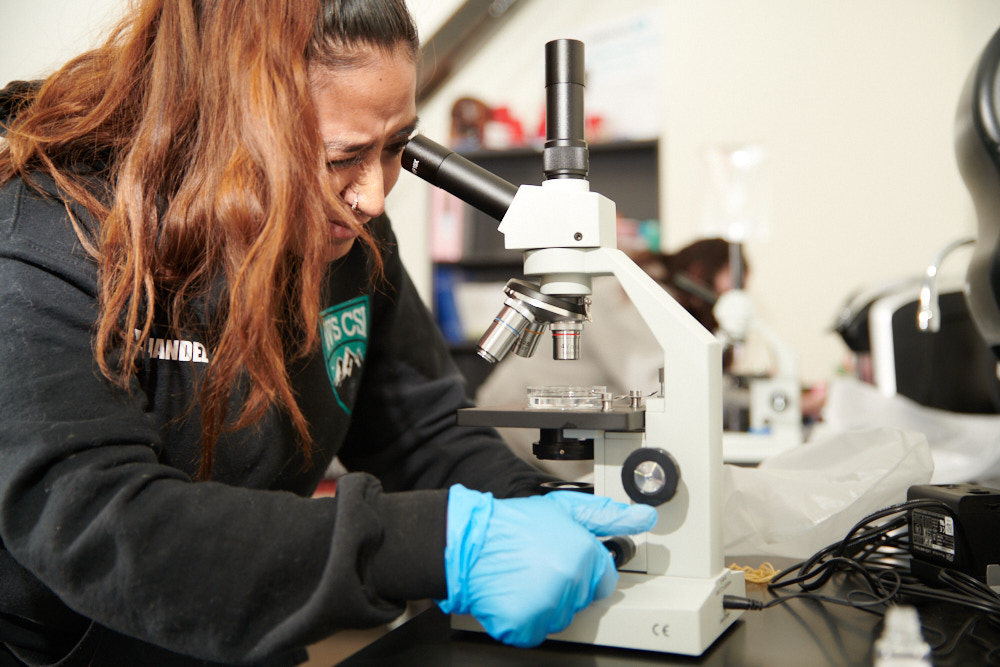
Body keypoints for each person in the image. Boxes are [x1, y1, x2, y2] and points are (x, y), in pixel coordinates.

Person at [0, 2, 656, 665]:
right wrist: (440, 543)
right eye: (342, 156)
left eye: (396, 146)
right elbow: (95, 518)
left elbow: (420, 430)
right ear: (229, 124)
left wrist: (536, 508)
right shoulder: (48, 231)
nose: (373, 195)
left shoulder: (353, 239)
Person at [475, 239, 745, 480]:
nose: (734, 295)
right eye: (731, 284)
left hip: (552, 422)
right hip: (519, 424)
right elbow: (653, 383)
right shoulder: (631, 295)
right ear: (699, 271)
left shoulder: (646, 291)